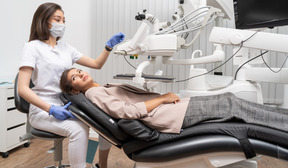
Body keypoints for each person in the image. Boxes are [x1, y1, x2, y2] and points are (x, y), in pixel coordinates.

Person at [18, 2, 124, 168]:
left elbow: (96, 64)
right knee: (78, 130)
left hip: (68, 104)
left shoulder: (65, 48)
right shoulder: (32, 48)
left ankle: (97, 164)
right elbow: (22, 88)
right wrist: (50, 109)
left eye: (64, 20)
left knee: (102, 122)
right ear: (44, 20)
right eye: (57, 19)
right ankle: (79, 166)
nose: (62, 24)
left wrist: (108, 47)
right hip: (43, 109)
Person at [60, 68, 288, 134]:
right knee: (232, 104)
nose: (80, 74)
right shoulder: (93, 94)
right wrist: (162, 98)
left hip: (175, 110)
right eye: (75, 78)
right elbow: (126, 112)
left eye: (79, 71)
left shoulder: (100, 88)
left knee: (231, 102)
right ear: (73, 89)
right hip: (170, 114)